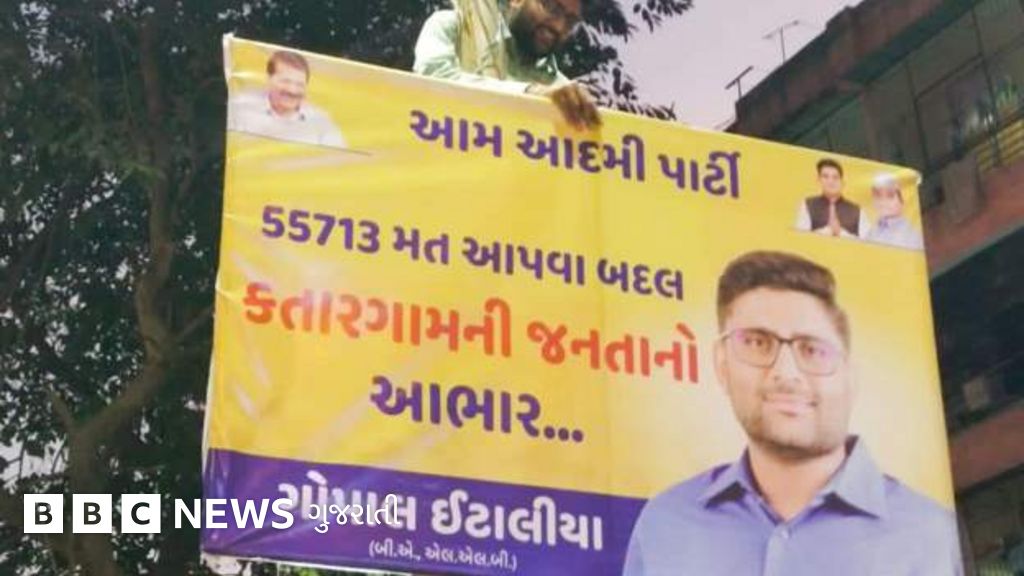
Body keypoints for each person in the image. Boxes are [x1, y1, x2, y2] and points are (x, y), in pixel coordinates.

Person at [623, 251, 962, 576]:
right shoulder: (666, 524)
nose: (785, 373)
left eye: (812, 349)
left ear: (850, 375)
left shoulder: (929, 534)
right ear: (722, 365)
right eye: (757, 343)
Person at [413, 0, 601, 130]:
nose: (559, 26)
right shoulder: (454, 26)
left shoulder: (563, 94)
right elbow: (431, 81)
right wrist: (528, 94)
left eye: (570, 21)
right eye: (551, 6)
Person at [228, 50, 347, 148]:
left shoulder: (321, 122)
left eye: (299, 84)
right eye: (286, 81)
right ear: (269, 79)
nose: (292, 90)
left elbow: (339, 164)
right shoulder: (240, 107)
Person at [795, 159, 869, 239]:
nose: (830, 181)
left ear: (842, 182)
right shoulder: (808, 204)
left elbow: (868, 242)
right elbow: (800, 238)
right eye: (825, 177)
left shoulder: (857, 210)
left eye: (835, 177)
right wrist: (827, 231)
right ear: (819, 180)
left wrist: (840, 233)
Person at [866, 173, 924, 250]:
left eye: (890, 196)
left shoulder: (911, 233)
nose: (883, 202)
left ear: (903, 199)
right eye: (878, 195)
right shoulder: (874, 228)